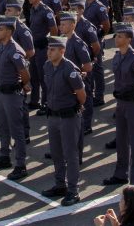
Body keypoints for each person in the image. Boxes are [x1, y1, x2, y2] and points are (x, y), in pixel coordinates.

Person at [103, 23, 134, 187]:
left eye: (120, 36)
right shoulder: (117, 56)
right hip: (121, 103)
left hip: (133, 103)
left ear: (129, 39)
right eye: (116, 35)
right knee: (122, 140)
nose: (117, 39)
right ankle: (120, 173)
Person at [41, 35, 86, 206]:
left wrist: (75, 107)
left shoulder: (70, 69)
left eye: (53, 50)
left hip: (68, 116)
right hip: (53, 115)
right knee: (56, 152)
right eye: (48, 49)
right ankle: (60, 184)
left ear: (62, 51)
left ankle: (73, 190)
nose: (49, 52)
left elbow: (82, 95)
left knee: (70, 153)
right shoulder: (47, 66)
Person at [0, 16, 30, 181]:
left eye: (0, 29)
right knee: (3, 127)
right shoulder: (1, 47)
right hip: (0, 93)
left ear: (9, 31)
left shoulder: (15, 50)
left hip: (12, 94)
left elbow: (25, 74)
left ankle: (21, 165)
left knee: (16, 130)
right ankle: (4, 155)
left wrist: (20, 86)